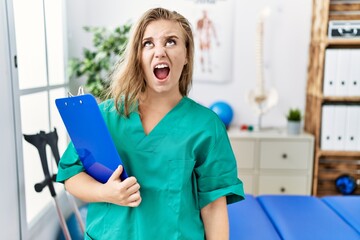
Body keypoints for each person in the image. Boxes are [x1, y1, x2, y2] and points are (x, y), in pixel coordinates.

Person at [57, 7, 244, 240]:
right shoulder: (104, 116)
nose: (159, 52)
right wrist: (105, 192)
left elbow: (214, 206)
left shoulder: (207, 126)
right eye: (148, 43)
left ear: (186, 55)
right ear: (138, 55)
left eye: (171, 42)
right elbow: (70, 175)